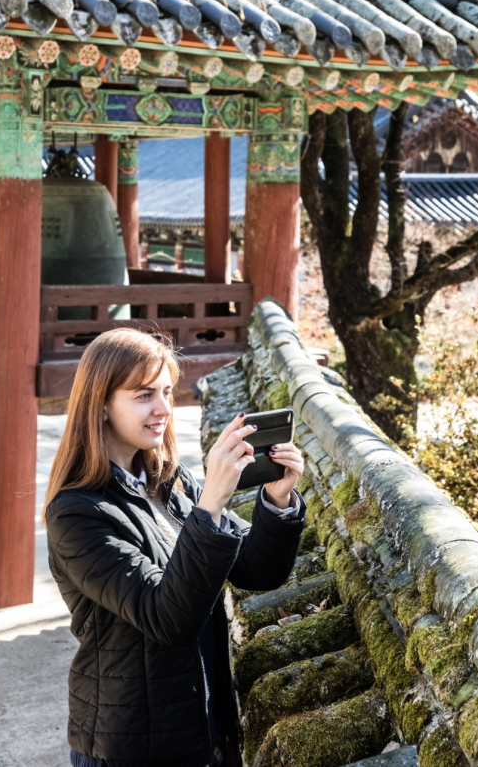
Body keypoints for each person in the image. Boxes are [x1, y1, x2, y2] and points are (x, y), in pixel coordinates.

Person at [44, 327, 306, 767]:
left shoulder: (168, 482)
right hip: (132, 742)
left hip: (203, 722)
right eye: (144, 395)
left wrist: (278, 499)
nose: (164, 409)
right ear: (102, 404)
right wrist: (212, 504)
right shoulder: (76, 514)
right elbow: (167, 618)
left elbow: (258, 571)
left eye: (167, 391)